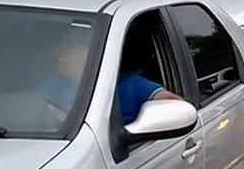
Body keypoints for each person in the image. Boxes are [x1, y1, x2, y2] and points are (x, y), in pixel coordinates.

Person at [42, 28, 182, 125]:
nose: (57, 53)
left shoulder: (131, 85)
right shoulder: (55, 84)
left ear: (87, 55)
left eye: (67, 47)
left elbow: (177, 106)